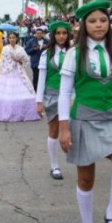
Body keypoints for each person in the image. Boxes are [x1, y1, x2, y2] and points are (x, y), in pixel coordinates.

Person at [58, 0, 112, 223]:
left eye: (103, 20)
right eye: (92, 21)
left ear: (109, 24)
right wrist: (63, 127)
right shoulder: (73, 54)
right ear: (83, 26)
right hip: (83, 118)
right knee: (86, 178)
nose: (99, 25)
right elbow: (65, 91)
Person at [36, 21, 72, 180]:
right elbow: (41, 78)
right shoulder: (46, 54)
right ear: (53, 35)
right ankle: (54, 165)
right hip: (51, 96)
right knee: (54, 131)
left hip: (73, 96)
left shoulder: (74, 52)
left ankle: (80, 162)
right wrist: (39, 101)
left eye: (64, 33)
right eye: (58, 33)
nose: (61, 36)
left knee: (76, 130)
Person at [0, 31, 39, 122]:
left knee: (25, 94)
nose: (12, 39)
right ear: (8, 39)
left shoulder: (20, 49)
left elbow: (26, 61)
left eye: (13, 38)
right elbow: (2, 60)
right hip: (6, 72)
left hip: (18, 72)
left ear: (17, 39)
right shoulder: (5, 48)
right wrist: (1, 68)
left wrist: (18, 61)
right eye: (10, 38)